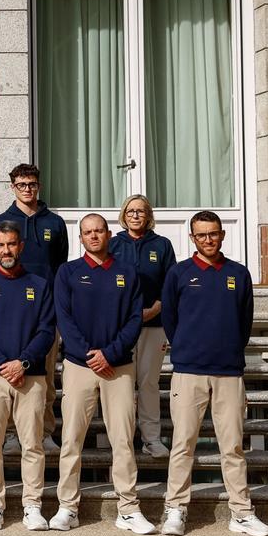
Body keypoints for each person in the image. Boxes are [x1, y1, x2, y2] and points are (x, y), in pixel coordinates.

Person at [160, 211, 268, 536]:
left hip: (228, 373)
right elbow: (170, 319)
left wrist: (228, 352)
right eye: (201, 235)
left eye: (213, 234)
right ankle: (175, 509)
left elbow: (244, 322)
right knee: (182, 444)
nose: (208, 240)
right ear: (192, 238)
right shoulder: (178, 274)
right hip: (189, 371)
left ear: (222, 235)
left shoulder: (238, 274)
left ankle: (241, 512)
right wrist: (185, 345)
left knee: (233, 447)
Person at [49, 214, 154, 535]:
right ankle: (67, 506)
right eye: (87, 232)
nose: (93, 236)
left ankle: (128, 508)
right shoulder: (68, 272)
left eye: (99, 231)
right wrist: (89, 354)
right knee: (71, 439)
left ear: (109, 234)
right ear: (80, 238)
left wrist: (109, 352)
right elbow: (63, 319)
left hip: (119, 367)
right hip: (79, 367)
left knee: (123, 440)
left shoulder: (127, 272)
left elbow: (135, 319)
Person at [0, 221, 55, 531]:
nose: (7, 250)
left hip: (30, 377)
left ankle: (32, 505)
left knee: (32, 444)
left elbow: (46, 331)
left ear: (21, 246)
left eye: (12, 244)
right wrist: (4, 364)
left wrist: (24, 362)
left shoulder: (40, 284)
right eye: (1, 245)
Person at [0, 163, 67, 454]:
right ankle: (9, 434)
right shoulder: (0, 222)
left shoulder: (54, 223)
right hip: (6, 314)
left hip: (44, 312)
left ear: (38, 186)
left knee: (44, 377)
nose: (27, 189)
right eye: (21, 184)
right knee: (5, 373)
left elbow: (60, 267)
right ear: (12, 187)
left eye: (31, 184)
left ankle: (44, 431)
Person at [109, 194, 176, 458]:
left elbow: (171, 283)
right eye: (131, 211)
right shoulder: (113, 244)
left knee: (148, 382)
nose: (135, 215)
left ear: (148, 215)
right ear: (124, 216)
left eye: (140, 211)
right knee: (122, 384)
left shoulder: (162, 245)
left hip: (154, 323)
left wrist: (157, 307)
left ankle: (151, 439)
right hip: (121, 326)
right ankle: (122, 439)